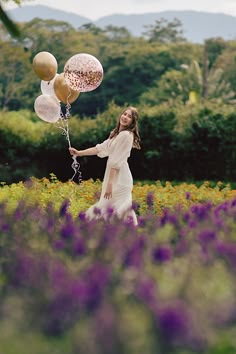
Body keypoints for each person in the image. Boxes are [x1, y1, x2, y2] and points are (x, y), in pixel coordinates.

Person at [69, 106, 141, 225]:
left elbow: (115, 161)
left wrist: (110, 184)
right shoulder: (117, 135)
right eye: (124, 114)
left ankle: (89, 226)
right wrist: (79, 153)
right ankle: (124, 234)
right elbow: (99, 148)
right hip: (114, 177)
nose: (125, 117)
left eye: (129, 117)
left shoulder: (126, 135)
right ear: (120, 116)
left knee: (116, 209)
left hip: (120, 179)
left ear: (132, 122)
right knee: (112, 209)